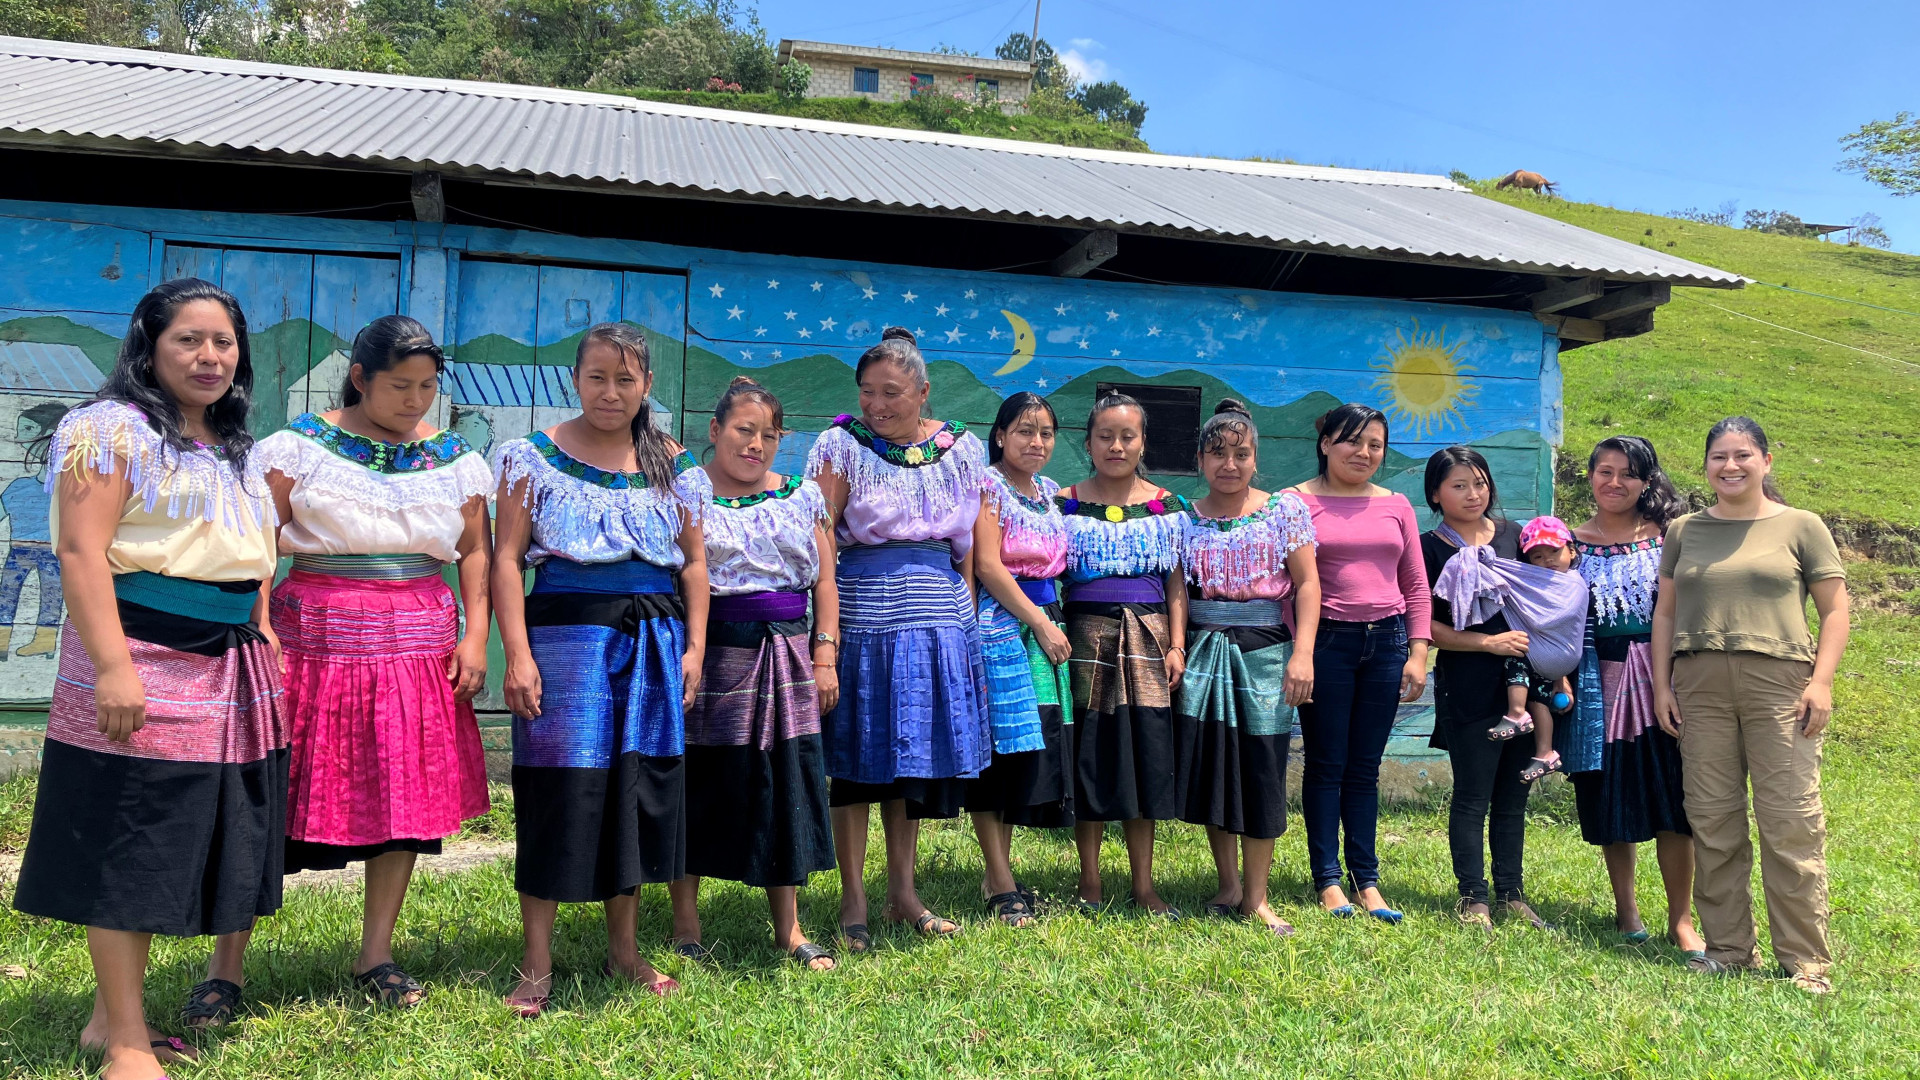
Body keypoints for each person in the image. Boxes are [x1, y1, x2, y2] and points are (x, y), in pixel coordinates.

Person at [12, 279, 285, 1080]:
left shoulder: (231, 444)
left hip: (225, 662)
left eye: (223, 342)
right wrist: (112, 668)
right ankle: (127, 1046)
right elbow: (80, 551)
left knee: (173, 837)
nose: (210, 357)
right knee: (128, 839)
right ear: (148, 345)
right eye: (188, 340)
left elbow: (249, 553)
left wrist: (262, 626)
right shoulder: (110, 430)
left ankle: (108, 1018)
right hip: (142, 653)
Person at [201, 316, 494, 1011]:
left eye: (427, 387)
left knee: (404, 795)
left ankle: (377, 955)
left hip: (419, 646)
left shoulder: (457, 459)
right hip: (313, 642)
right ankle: (225, 969)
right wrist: (259, 625)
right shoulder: (298, 449)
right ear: (359, 377)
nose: (415, 400)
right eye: (400, 386)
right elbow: (257, 542)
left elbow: (476, 550)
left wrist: (476, 635)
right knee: (272, 791)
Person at [492, 322, 710, 1015]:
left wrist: (695, 648)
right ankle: (536, 961)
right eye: (596, 378)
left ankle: (626, 949)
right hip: (567, 642)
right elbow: (506, 560)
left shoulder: (674, 463)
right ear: (575, 380)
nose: (610, 392)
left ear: (647, 385)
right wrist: (517, 654)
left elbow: (695, 563)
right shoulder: (532, 458)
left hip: (654, 640)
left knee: (635, 790)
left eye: (625, 379)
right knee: (558, 790)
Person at [806, 327, 990, 950]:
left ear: (923, 391)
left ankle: (903, 893)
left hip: (939, 615)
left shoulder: (961, 448)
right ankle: (853, 899)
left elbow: (967, 544)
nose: (877, 405)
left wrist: (965, 615)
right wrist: (825, 638)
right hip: (864, 614)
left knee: (910, 758)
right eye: (867, 392)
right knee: (859, 760)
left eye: (892, 392)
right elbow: (820, 534)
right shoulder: (841, 445)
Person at [1652, 417, 1848, 993]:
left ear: (1766, 461)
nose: (1730, 466)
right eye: (1719, 456)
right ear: (1705, 465)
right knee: (1713, 819)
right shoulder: (1684, 530)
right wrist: (1662, 686)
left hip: (1780, 686)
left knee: (1789, 820)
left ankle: (1805, 960)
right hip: (1699, 685)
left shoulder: (1801, 525)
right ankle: (1729, 949)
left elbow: (1835, 609)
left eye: (1742, 455)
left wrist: (1822, 683)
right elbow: (1666, 612)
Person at [667, 376, 839, 971]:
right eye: (744, 430)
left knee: (782, 778)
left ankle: (788, 927)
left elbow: (824, 581)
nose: (756, 444)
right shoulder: (686, 495)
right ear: (715, 430)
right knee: (701, 779)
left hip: (787, 653)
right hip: (713, 653)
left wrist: (824, 655)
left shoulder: (802, 495)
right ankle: (686, 925)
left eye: (769, 434)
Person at [1177, 400, 1318, 937]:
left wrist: (1302, 653)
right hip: (1205, 650)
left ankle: (1257, 897)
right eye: (1217, 454)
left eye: (1241, 454)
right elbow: (1179, 592)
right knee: (1216, 766)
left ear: (1256, 459)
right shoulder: (1185, 517)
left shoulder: (1283, 511)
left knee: (1262, 768)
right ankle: (1228, 885)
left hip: (1266, 652)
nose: (1229, 464)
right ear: (1200, 460)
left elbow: (1308, 584)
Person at [1288, 404, 1430, 923]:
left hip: (1387, 644)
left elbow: (1415, 583)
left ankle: (1367, 882)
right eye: (1352, 441)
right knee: (1327, 764)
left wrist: (1418, 652)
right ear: (1325, 443)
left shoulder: (1397, 505)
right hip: (1326, 643)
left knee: (1365, 768)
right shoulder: (1294, 502)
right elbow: (1288, 586)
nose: (1364, 452)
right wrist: (1301, 650)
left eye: (1375, 444)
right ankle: (1328, 880)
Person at [1565, 436, 1703, 955]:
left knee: (1674, 798)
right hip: (1597, 683)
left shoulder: (1670, 536)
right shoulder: (1568, 544)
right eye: (1604, 471)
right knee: (1609, 794)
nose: (1615, 482)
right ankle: (1627, 910)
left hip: (1664, 679)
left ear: (1646, 481)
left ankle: (1681, 919)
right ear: (1590, 477)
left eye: (1627, 473)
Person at [1058, 393, 1189, 918]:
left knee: (1146, 753)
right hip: (1085, 640)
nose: (1116, 446)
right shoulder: (1063, 503)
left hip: (1149, 641)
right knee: (1090, 752)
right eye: (1105, 436)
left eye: (1127, 436)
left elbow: (1176, 583)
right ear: (1088, 443)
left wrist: (1177, 644)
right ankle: (1089, 879)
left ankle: (1144, 884)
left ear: (1142, 443)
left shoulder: (1168, 506)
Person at [1420, 447, 1546, 929]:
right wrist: (1488, 643)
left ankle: (1512, 893)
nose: (1473, 494)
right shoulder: (1430, 548)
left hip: (1525, 685)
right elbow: (1425, 624)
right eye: (1458, 486)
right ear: (1436, 494)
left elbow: (1547, 597)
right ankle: (1473, 897)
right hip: (1468, 685)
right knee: (1473, 795)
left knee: (1514, 796)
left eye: (1479, 483)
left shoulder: (1516, 537)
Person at [964, 392, 1073, 928]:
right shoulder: (988, 486)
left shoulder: (1049, 493)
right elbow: (987, 564)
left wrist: (1049, 623)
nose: (1036, 441)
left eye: (1046, 433)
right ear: (1000, 435)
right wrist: (1040, 622)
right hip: (1003, 627)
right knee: (999, 751)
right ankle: (1001, 881)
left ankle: (998, 872)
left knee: (1024, 748)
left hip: (1044, 624)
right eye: (1025, 431)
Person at [1504, 515, 1579, 784]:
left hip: (1554, 655)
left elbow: (1553, 623)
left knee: (1515, 661)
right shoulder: (1535, 584)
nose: (1547, 560)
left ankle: (1516, 713)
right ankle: (1545, 752)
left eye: (1554, 551)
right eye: (1537, 556)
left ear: (1571, 550)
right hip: (1550, 659)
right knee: (1539, 699)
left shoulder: (1573, 584)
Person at [0, 401, 69, 657]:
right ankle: (2, 640)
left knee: (51, 595)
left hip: (53, 551)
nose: (20, 439)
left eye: (28, 430)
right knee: (7, 594)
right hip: (19, 549)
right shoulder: (19, 487)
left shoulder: (70, 489)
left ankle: (45, 641)